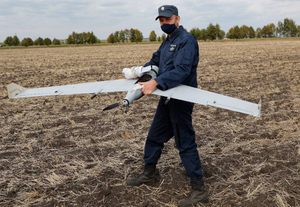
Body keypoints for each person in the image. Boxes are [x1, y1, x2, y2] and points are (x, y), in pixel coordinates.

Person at [125, 5, 209, 206]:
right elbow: (155, 62)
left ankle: (199, 190)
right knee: (155, 136)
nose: (164, 24)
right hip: (166, 96)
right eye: (161, 21)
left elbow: (181, 70)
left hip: (181, 98)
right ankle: (149, 174)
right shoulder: (167, 41)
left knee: (184, 142)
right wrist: (139, 73)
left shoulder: (187, 41)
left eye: (167, 20)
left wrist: (156, 82)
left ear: (177, 19)